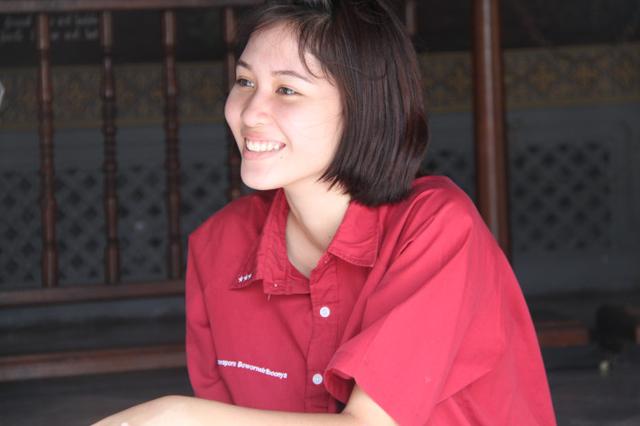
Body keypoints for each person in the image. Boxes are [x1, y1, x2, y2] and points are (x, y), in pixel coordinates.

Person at [94, 0, 556, 424]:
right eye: (245, 81)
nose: (250, 112)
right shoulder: (220, 246)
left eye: (287, 90)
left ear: (363, 109)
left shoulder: (437, 227)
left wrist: (174, 415)